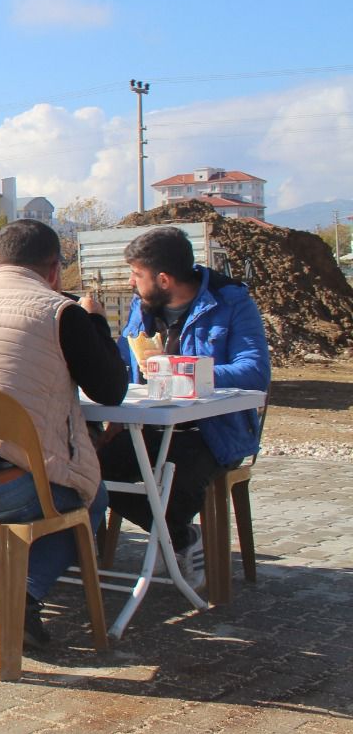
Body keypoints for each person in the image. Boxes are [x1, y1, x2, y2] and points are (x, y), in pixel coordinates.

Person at [0, 219, 128, 649]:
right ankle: (14, 594)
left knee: (39, 492)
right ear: (54, 270)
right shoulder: (60, 312)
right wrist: (97, 324)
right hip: (13, 484)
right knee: (89, 496)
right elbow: (111, 390)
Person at [99, 226, 270, 583]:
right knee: (88, 472)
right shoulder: (143, 306)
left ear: (163, 279)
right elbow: (125, 366)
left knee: (179, 486)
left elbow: (254, 371)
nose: (131, 283)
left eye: (137, 275)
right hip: (148, 423)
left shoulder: (231, 301)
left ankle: (177, 540)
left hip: (212, 430)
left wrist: (178, 369)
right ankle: (182, 538)